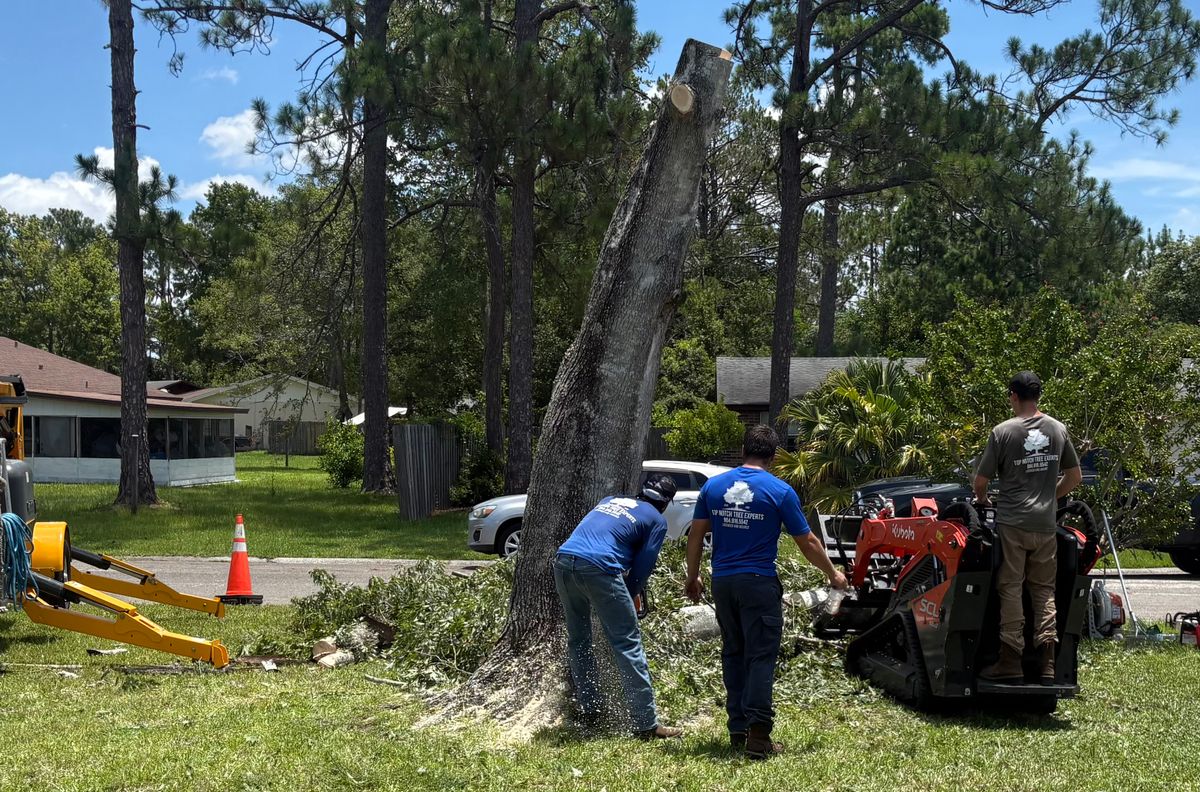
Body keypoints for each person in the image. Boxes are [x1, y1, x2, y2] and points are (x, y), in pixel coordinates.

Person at [684, 425, 848, 760]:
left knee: (734, 652)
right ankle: (758, 737)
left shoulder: (713, 488)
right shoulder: (780, 491)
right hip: (758, 583)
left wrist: (692, 576)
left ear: (743, 450)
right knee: (759, 656)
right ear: (773, 456)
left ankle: (737, 728)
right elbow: (808, 542)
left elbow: (695, 536)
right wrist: (833, 574)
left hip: (724, 583)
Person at [553, 473, 682, 740]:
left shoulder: (611, 499)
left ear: (641, 491)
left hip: (564, 561)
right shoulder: (656, 520)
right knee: (627, 643)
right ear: (667, 503)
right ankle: (646, 723)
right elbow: (642, 568)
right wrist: (632, 595)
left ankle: (591, 709)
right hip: (600, 568)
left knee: (578, 639)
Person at [974, 371, 1082, 684]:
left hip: (1012, 523)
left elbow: (981, 481)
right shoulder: (1058, 429)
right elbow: (1073, 476)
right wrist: (1050, 498)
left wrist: (983, 500)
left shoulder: (1003, 432)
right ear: (1038, 396)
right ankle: (1047, 663)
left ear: (1013, 396)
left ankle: (1010, 660)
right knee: (1043, 590)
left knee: (1010, 587)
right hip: (1045, 526)